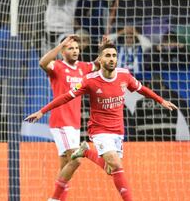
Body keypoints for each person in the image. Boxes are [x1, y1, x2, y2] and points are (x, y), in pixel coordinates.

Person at [25, 40, 178, 201]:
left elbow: (142, 89)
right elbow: (65, 97)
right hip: (98, 130)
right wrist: (42, 111)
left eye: (114, 56)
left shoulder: (124, 75)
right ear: (100, 59)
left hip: (117, 131)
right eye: (108, 56)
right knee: (113, 164)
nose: (112, 59)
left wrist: (161, 101)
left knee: (111, 169)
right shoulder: (89, 80)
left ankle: (85, 152)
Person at [39, 34, 98, 201]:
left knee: (66, 166)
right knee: (76, 160)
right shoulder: (57, 66)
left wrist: (103, 48)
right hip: (60, 122)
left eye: (77, 48)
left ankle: (60, 199)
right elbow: (42, 62)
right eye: (70, 48)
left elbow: (98, 64)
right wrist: (59, 45)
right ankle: (54, 199)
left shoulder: (82, 67)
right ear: (63, 51)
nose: (75, 51)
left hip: (74, 124)